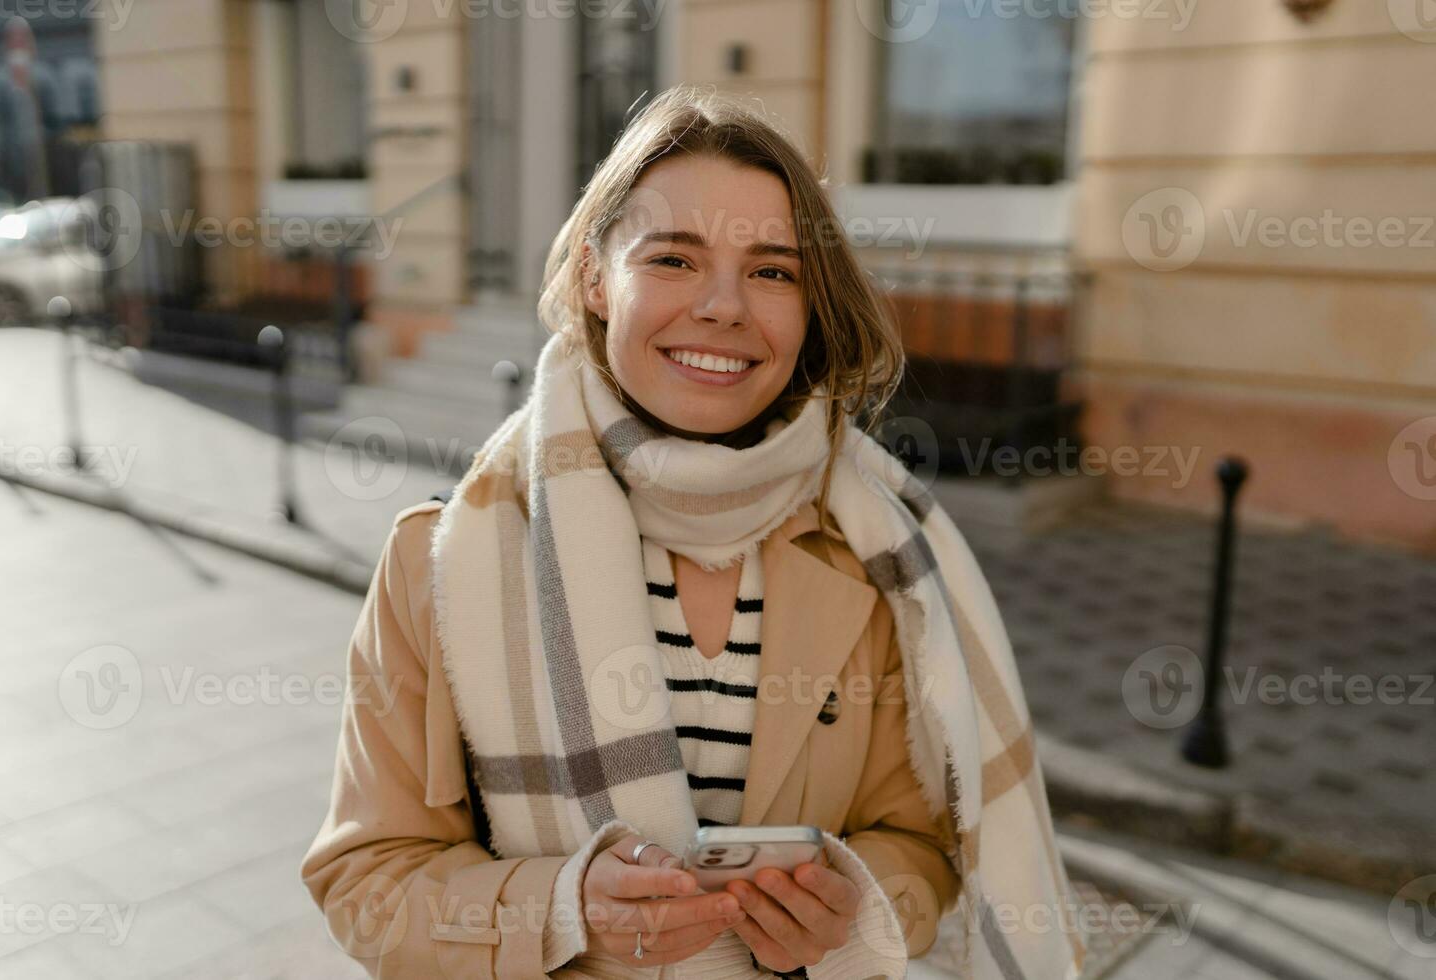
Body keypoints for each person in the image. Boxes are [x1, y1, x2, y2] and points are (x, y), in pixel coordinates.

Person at [301, 85, 1085, 980]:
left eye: (773, 270)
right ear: (597, 280)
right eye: (673, 260)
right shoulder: (439, 557)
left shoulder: (879, 559)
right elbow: (365, 877)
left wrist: (858, 908)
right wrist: (561, 914)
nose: (724, 307)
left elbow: (922, 843)